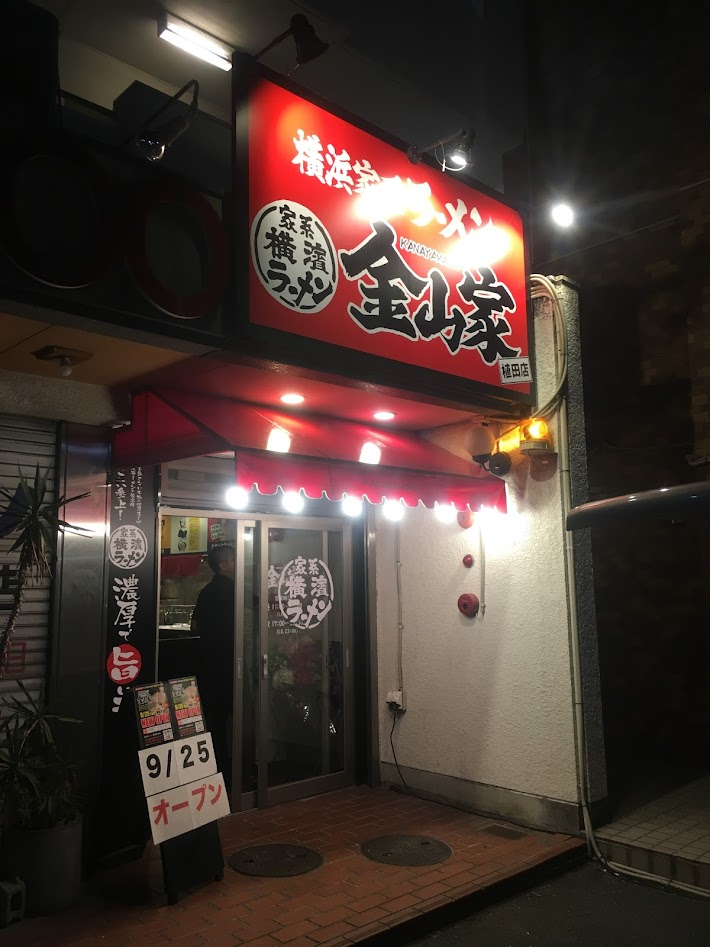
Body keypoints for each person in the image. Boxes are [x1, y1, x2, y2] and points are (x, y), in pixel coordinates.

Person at [191, 544, 235, 788]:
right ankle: (235, 770)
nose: (237, 563)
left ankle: (219, 768)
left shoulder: (206, 592)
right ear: (223, 566)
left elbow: (194, 626)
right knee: (234, 715)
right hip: (231, 664)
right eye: (234, 559)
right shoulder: (235, 590)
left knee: (214, 719)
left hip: (209, 664)